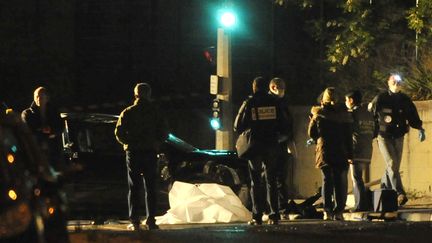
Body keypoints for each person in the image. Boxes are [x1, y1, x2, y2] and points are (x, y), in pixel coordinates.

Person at [115, 83, 168, 230]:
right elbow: (164, 132)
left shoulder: (128, 112)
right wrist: (156, 143)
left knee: (134, 187)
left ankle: (135, 220)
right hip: (150, 152)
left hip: (133, 152)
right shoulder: (156, 112)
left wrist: (128, 143)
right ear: (149, 94)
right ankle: (151, 219)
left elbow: (118, 133)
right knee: (151, 187)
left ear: (135, 94)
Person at [369, 74, 426, 206]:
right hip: (383, 136)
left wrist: (420, 127)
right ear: (388, 83)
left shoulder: (405, 99)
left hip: (399, 135)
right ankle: (400, 193)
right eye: (393, 81)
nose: (396, 84)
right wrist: (370, 134)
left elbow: (412, 114)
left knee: (392, 166)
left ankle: (384, 191)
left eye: (398, 82)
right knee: (392, 163)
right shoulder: (381, 98)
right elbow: (371, 115)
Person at [234, 76, 282, 225]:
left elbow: (237, 125)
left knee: (256, 180)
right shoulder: (275, 102)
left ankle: (257, 216)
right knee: (271, 180)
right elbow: (284, 122)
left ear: (254, 88)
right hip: (271, 144)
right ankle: (274, 215)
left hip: (255, 145)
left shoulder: (249, 102)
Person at [308, 87, 353, 220]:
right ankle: (339, 211)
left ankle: (327, 210)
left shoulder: (319, 114)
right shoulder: (344, 115)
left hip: (325, 150)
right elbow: (348, 136)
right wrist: (350, 154)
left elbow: (312, 133)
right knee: (340, 182)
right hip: (341, 150)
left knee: (327, 180)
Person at [268, 77, 295, 215]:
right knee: (273, 178)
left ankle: (281, 206)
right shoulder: (271, 103)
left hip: (281, 144)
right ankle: (276, 207)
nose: (283, 92)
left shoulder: (282, 103)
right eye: (281, 89)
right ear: (274, 88)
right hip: (273, 145)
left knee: (280, 178)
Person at [22, 86, 65, 172]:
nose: (39, 99)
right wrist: (42, 131)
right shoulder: (27, 113)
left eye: (41, 97)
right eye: (37, 97)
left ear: (47, 98)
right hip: (37, 147)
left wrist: (52, 132)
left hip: (53, 147)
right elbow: (28, 130)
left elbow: (60, 126)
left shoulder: (53, 111)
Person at [345, 90, 374, 212]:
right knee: (361, 178)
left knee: (356, 178)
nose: (345, 103)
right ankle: (364, 203)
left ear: (351, 100)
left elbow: (347, 130)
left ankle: (360, 205)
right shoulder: (368, 113)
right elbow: (375, 130)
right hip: (367, 149)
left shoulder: (352, 113)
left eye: (346, 100)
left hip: (355, 149)